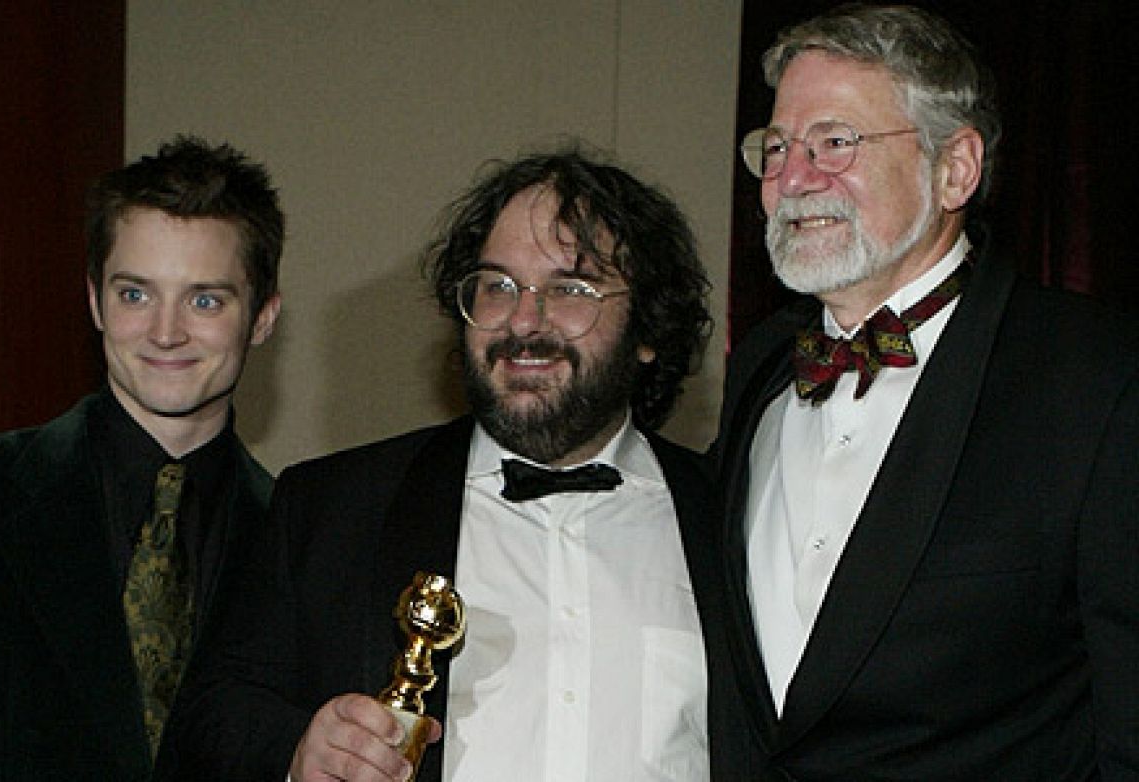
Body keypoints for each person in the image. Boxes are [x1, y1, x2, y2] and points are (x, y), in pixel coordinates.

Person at [707, 4, 1139, 779]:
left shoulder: (1108, 388)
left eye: (835, 142)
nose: (793, 179)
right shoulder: (761, 369)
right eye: (777, 147)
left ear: (955, 168)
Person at [158, 148, 721, 782]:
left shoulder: (728, 519)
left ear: (648, 329)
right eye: (497, 285)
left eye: (570, 288)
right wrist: (296, 752)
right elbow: (204, 728)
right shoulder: (331, 509)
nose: (523, 321)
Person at [0, 136, 285, 780]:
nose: (165, 332)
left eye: (204, 299)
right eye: (135, 294)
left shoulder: (295, 532)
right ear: (94, 301)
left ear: (263, 317)